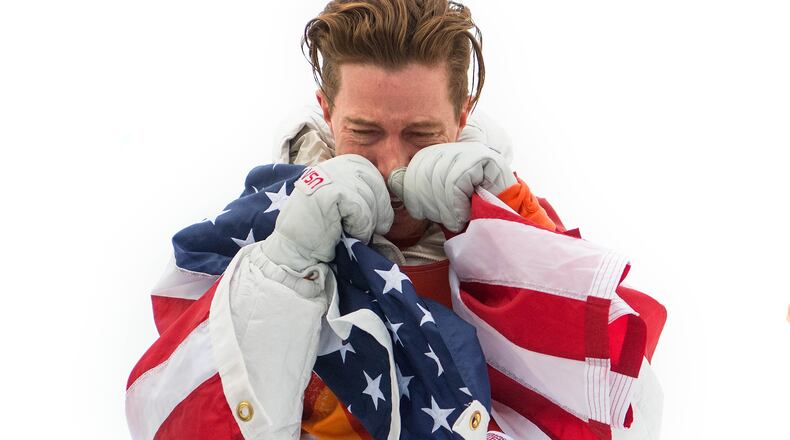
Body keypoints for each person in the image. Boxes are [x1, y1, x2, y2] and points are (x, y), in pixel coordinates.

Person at [126, 1, 666, 439]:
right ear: (326, 109)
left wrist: (512, 226)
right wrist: (284, 269)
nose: (392, 165)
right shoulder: (254, 239)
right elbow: (170, 419)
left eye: (421, 135)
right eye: (363, 133)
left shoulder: (525, 245)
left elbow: (630, 414)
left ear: (462, 116)